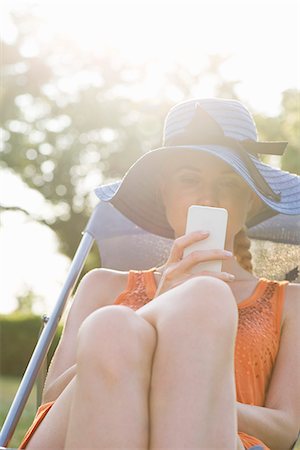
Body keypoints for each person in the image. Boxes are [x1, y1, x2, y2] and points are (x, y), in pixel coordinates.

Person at [19, 98, 300, 450]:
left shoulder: (290, 301)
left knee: (204, 297)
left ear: (252, 201)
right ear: (164, 193)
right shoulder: (102, 284)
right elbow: (54, 398)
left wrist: (183, 399)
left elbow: (285, 427)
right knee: (114, 325)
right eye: (190, 179)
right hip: (84, 429)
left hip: (222, 439)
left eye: (229, 183)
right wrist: (158, 308)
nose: (209, 198)